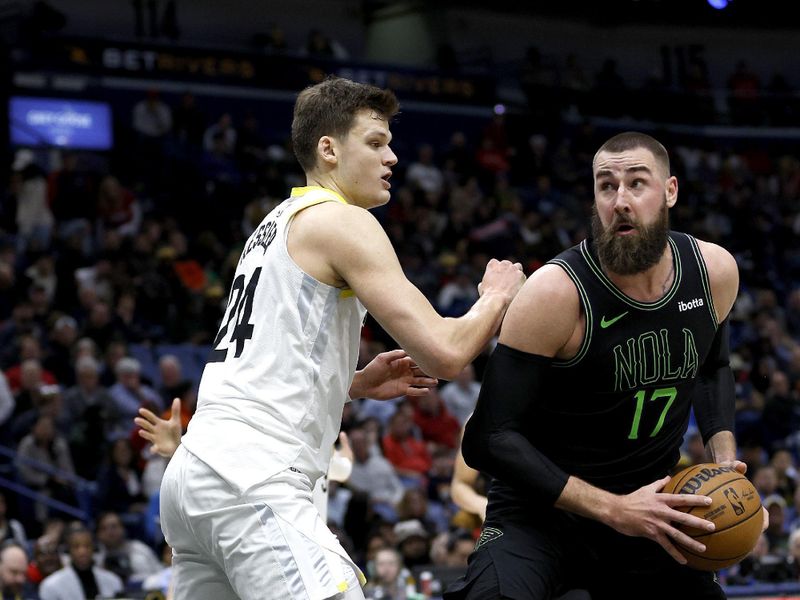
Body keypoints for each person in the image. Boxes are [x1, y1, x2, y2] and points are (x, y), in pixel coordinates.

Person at [158, 76, 525, 600]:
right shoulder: (343, 221)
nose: (392, 157)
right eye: (375, 143)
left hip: (197, 476)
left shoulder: (275, 223)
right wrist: (495, 297)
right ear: (328, 149)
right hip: (252, 476)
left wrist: (349, 384)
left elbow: (260, 358)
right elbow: (445, 353)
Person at [446, 131, 764, 600]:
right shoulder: (556, 294)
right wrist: (614, 509)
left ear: (670, 191)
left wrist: (723, 461)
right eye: (606, 186)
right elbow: (487, 439)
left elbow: (713, 366)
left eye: (637, 183)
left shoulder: (712, 270)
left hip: (651, 505)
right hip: (541, 516)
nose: (620, 201)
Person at [38, 527, 123, 600]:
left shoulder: (113, 580)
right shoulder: (51, 585)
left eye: (87, 546)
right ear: (69, 550)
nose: (82, 552)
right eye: (76, 546)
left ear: (93, 548)